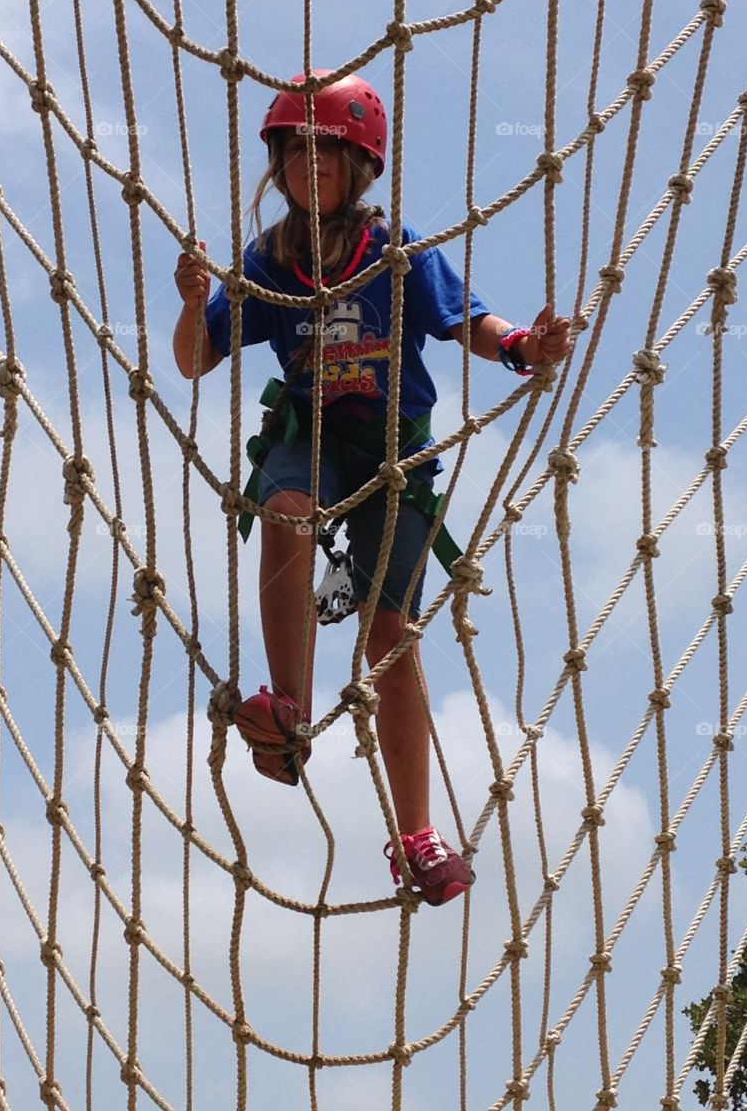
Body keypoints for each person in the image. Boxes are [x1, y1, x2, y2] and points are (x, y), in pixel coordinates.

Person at [173, 71, 571, 905]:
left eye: (328, 151)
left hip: (393, 455)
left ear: (360, 166)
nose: (309, 162)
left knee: (390, 638)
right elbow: (195, 360)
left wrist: (523, 348)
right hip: (310, 435)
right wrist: (194, 303)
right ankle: (287, 704)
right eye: (295, 149)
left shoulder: (395, 250)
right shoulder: (268, 260)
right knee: (282, 508)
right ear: (276, 162)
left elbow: (469, 318)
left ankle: (418, 835)